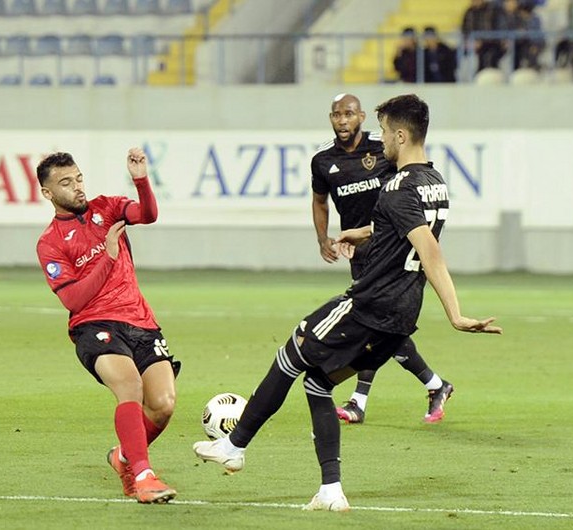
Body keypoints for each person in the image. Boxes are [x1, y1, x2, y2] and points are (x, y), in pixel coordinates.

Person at [194, 94, 502, 511]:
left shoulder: (397, 188)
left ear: (400, 134)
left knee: (292, 351)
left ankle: (235, 445)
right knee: (318, 383)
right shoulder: (435, 182)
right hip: (402, 315)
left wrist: (456, 315)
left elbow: (429, 250)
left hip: (370, 303)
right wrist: (363, 232)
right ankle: (330, 490)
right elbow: (404, 229)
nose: (382, 144)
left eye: (387, 134)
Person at [35, 148, 178, 504]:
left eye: (79, 178)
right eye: (66, 183)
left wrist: (141, 179)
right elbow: (73, 300)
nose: (77, 187)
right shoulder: (50, 243)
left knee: (163, 404)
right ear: (48, 193)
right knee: (130, 386)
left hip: (140, 321)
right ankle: (143, 474)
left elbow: (147, 214)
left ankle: (124, 457)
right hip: (94, 325)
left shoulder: (108, 208)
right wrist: (108, 257)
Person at [311, 93, 455, 425]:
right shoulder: (323, 161)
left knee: (377, 325)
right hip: (360, 249)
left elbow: (407, 191)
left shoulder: (384, 151)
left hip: (388, 248)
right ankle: (434, 385)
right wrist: (325, 237)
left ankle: (362, 400)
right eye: (336, 115)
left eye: (348, 114)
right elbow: (319, 201)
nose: (342, 120)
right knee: (382, 327)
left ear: (360, 116)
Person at [461, 0, 503, 71]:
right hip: (475, 43)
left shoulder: (492, 10)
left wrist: (481, 41)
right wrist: (470, 41)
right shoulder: (469, 12)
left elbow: (495, 30)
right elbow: (465, 29)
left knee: (489, 55)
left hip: (491, 43)